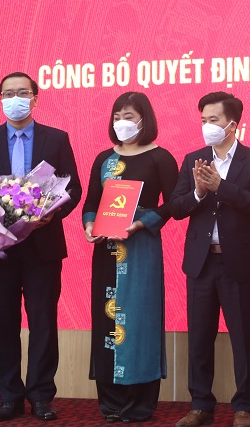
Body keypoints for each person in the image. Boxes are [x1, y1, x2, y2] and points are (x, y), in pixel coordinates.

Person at [0, 71, 82, 422]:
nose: (15, 98)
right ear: (0, 99)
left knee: (43, 322)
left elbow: (73, 188)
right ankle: (9, 397)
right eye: (8, 93)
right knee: (3, 323)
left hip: (43, 247)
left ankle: (41, 396)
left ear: (35, 98)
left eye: (22, 92)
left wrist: (52, 214)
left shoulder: (56, 138)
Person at [170, 92, 250, 427]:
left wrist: (221, 186)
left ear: (232, 124)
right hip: (201, 263)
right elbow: (176, 207)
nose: (207, 126)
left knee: (244, 337)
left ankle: (244, 407)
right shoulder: (193, 159)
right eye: (203, 120)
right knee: (199, 337)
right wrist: (199, 192)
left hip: (238, 263)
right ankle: (201, 404)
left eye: (213, 120)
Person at [81, 92, 178, 423]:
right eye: (117, 116)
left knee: (140, 320)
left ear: (144, 120)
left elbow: (174, 203)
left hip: (141, 250)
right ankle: (110, 403)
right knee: (107, 321)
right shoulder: (104, 159)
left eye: (129, 116)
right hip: (106, 250)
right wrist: (89, 225)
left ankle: (139, 404)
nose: (122, 122)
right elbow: (91, 201)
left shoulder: (160, 157)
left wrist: (142, 222)